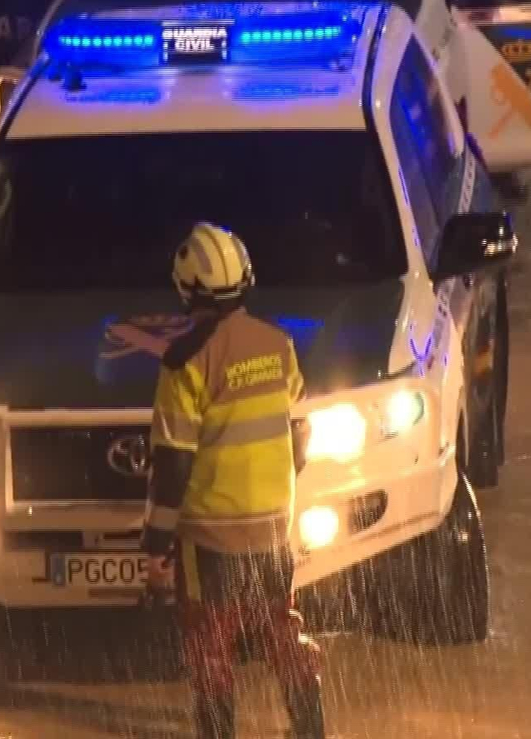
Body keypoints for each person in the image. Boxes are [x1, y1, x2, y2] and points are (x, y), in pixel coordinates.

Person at [142, 222, 323, 739]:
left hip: (210, 536)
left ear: (187, 289)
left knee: (210, 640)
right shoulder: (279, 344)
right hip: (274, 528)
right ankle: (310, 728)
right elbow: (298, 429)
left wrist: (155, 545)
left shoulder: (185, 364)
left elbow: (173, 467)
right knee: (281, 627)